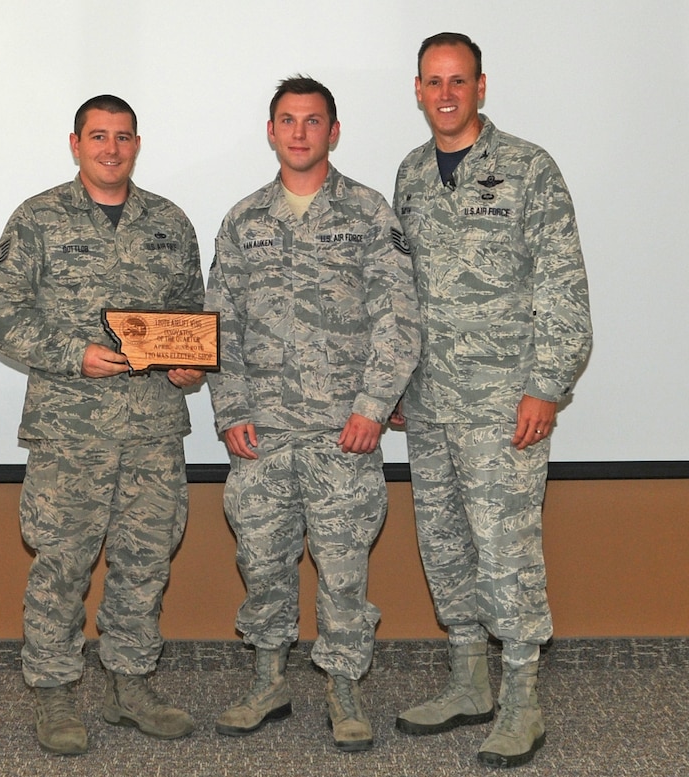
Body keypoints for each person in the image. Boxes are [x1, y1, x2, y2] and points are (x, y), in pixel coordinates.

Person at [0, 95, 203, 755]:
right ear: (75, 143)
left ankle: (131, 685)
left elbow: (190, 314)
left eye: (123, 136)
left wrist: (191, 365)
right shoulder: (38, 219)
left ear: (138, 143)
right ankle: (55, 693)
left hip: (153, 429)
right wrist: (70, 354)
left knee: (145, 560)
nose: (111, 148)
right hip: (69, 430)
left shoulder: (169, 222)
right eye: (98, 136)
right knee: (61, 563)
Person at [391, 33, 592, 769]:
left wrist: (547, 383)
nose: (446, 94)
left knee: (507, 555)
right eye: (433, 82)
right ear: (417, 89)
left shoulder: (529, 168)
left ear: (481, 87)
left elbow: (564, 285)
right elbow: (402, 291)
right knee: (446, 547)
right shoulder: (411, 175)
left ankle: (521, 702)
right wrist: (399, 383)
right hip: (431, 404)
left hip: (506, 403)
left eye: (459, 81)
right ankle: (469, 682)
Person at [206, 76, 421, 751]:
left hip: (343, 434)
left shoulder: (367, 212)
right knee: (263, 560)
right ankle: (268, 678)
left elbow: (399, 315)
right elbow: (221, 325)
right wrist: (230, 408)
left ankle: (343, 686)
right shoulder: (244, 221)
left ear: (333, 132)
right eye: (287, 121)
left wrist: (372, 406)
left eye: (313, 121)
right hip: (262, 433)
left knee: (343, 567)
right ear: (271, 132)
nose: (300, 132)